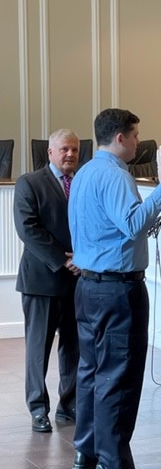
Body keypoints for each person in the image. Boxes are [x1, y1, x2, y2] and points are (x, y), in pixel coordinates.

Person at [68, 108, 161, 469]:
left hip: (88, 288)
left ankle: (88, 452)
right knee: (118, 375)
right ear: (120, 139)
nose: (137, 143)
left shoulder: (82, 174)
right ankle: (113, 466)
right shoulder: (116, 175)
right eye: (134, 136)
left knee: (91, 371)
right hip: (117, 290)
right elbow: (131, 224)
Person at [14, 129, 81, 433]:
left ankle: (69, 406)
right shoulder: (29, 183)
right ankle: (38, 409)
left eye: (75, 150)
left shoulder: (82, 183)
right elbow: (29, 230)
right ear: (50, 152)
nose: (70, 155)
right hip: (42, 280)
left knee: (74, 347)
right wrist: (63, 259)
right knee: (38, 348)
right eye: (64, 149)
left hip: (79, 280)